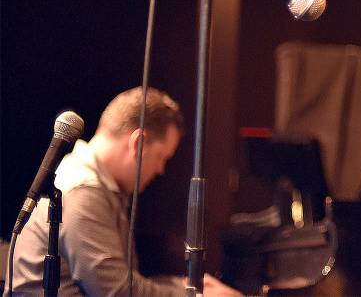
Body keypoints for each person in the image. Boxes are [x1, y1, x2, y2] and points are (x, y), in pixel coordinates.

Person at [10, 86, 240, 297]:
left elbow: (124, 282)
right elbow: (117, 292)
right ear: (138, 143)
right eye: (162, 157)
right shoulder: (83, 191)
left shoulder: (100, 185)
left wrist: (187, 286)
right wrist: (195, 295)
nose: (160, 170)